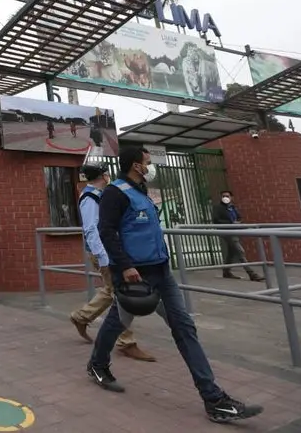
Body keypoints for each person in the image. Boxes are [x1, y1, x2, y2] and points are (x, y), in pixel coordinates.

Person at [86, 146, 263, 423]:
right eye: (147, 162)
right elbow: (106, 231)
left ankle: (214, 399)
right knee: (117, 322)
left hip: (162, 272)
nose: (150, 166)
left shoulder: (142, 191)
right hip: (136, 275)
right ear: (135, 165)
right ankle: (97, 364)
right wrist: (126, 266)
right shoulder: (114, 192)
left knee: (183, 327)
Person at [69, 163, 155, 362]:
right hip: (104, 253)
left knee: (111, 290)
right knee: (121, 295)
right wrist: (103, 257)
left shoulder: (100, 195)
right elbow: (91, 229)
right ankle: (126, 342)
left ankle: (81, 317)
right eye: (107, 173)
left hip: (109, 251)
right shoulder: (90, 198)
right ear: (103, 175)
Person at [212, 190, 264, 282]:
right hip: (226, 232)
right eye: (223, 196)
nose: (225, 198)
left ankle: (226, 271)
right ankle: (252, 274)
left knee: (231, 253)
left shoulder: (232, 207)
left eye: (227, 196)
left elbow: (239, 217)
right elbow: (216, 220)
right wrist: (231, 223)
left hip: (235, 231)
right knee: (240, 251)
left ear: (231, 197)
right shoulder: (218, 208)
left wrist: (238, 222)